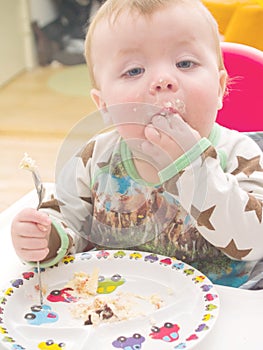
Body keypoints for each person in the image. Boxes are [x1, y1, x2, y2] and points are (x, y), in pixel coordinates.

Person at [11, 0, 263, 289]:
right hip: (123, 308)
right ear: (104, 106)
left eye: (184, 63)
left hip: (229, 311)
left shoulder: (240, 156)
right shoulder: (94, 159)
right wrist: (47, 237)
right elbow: (66, 219)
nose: (163, 80)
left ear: (219, 89)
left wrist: (192, 165)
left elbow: (255, 241)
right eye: (133, 71)